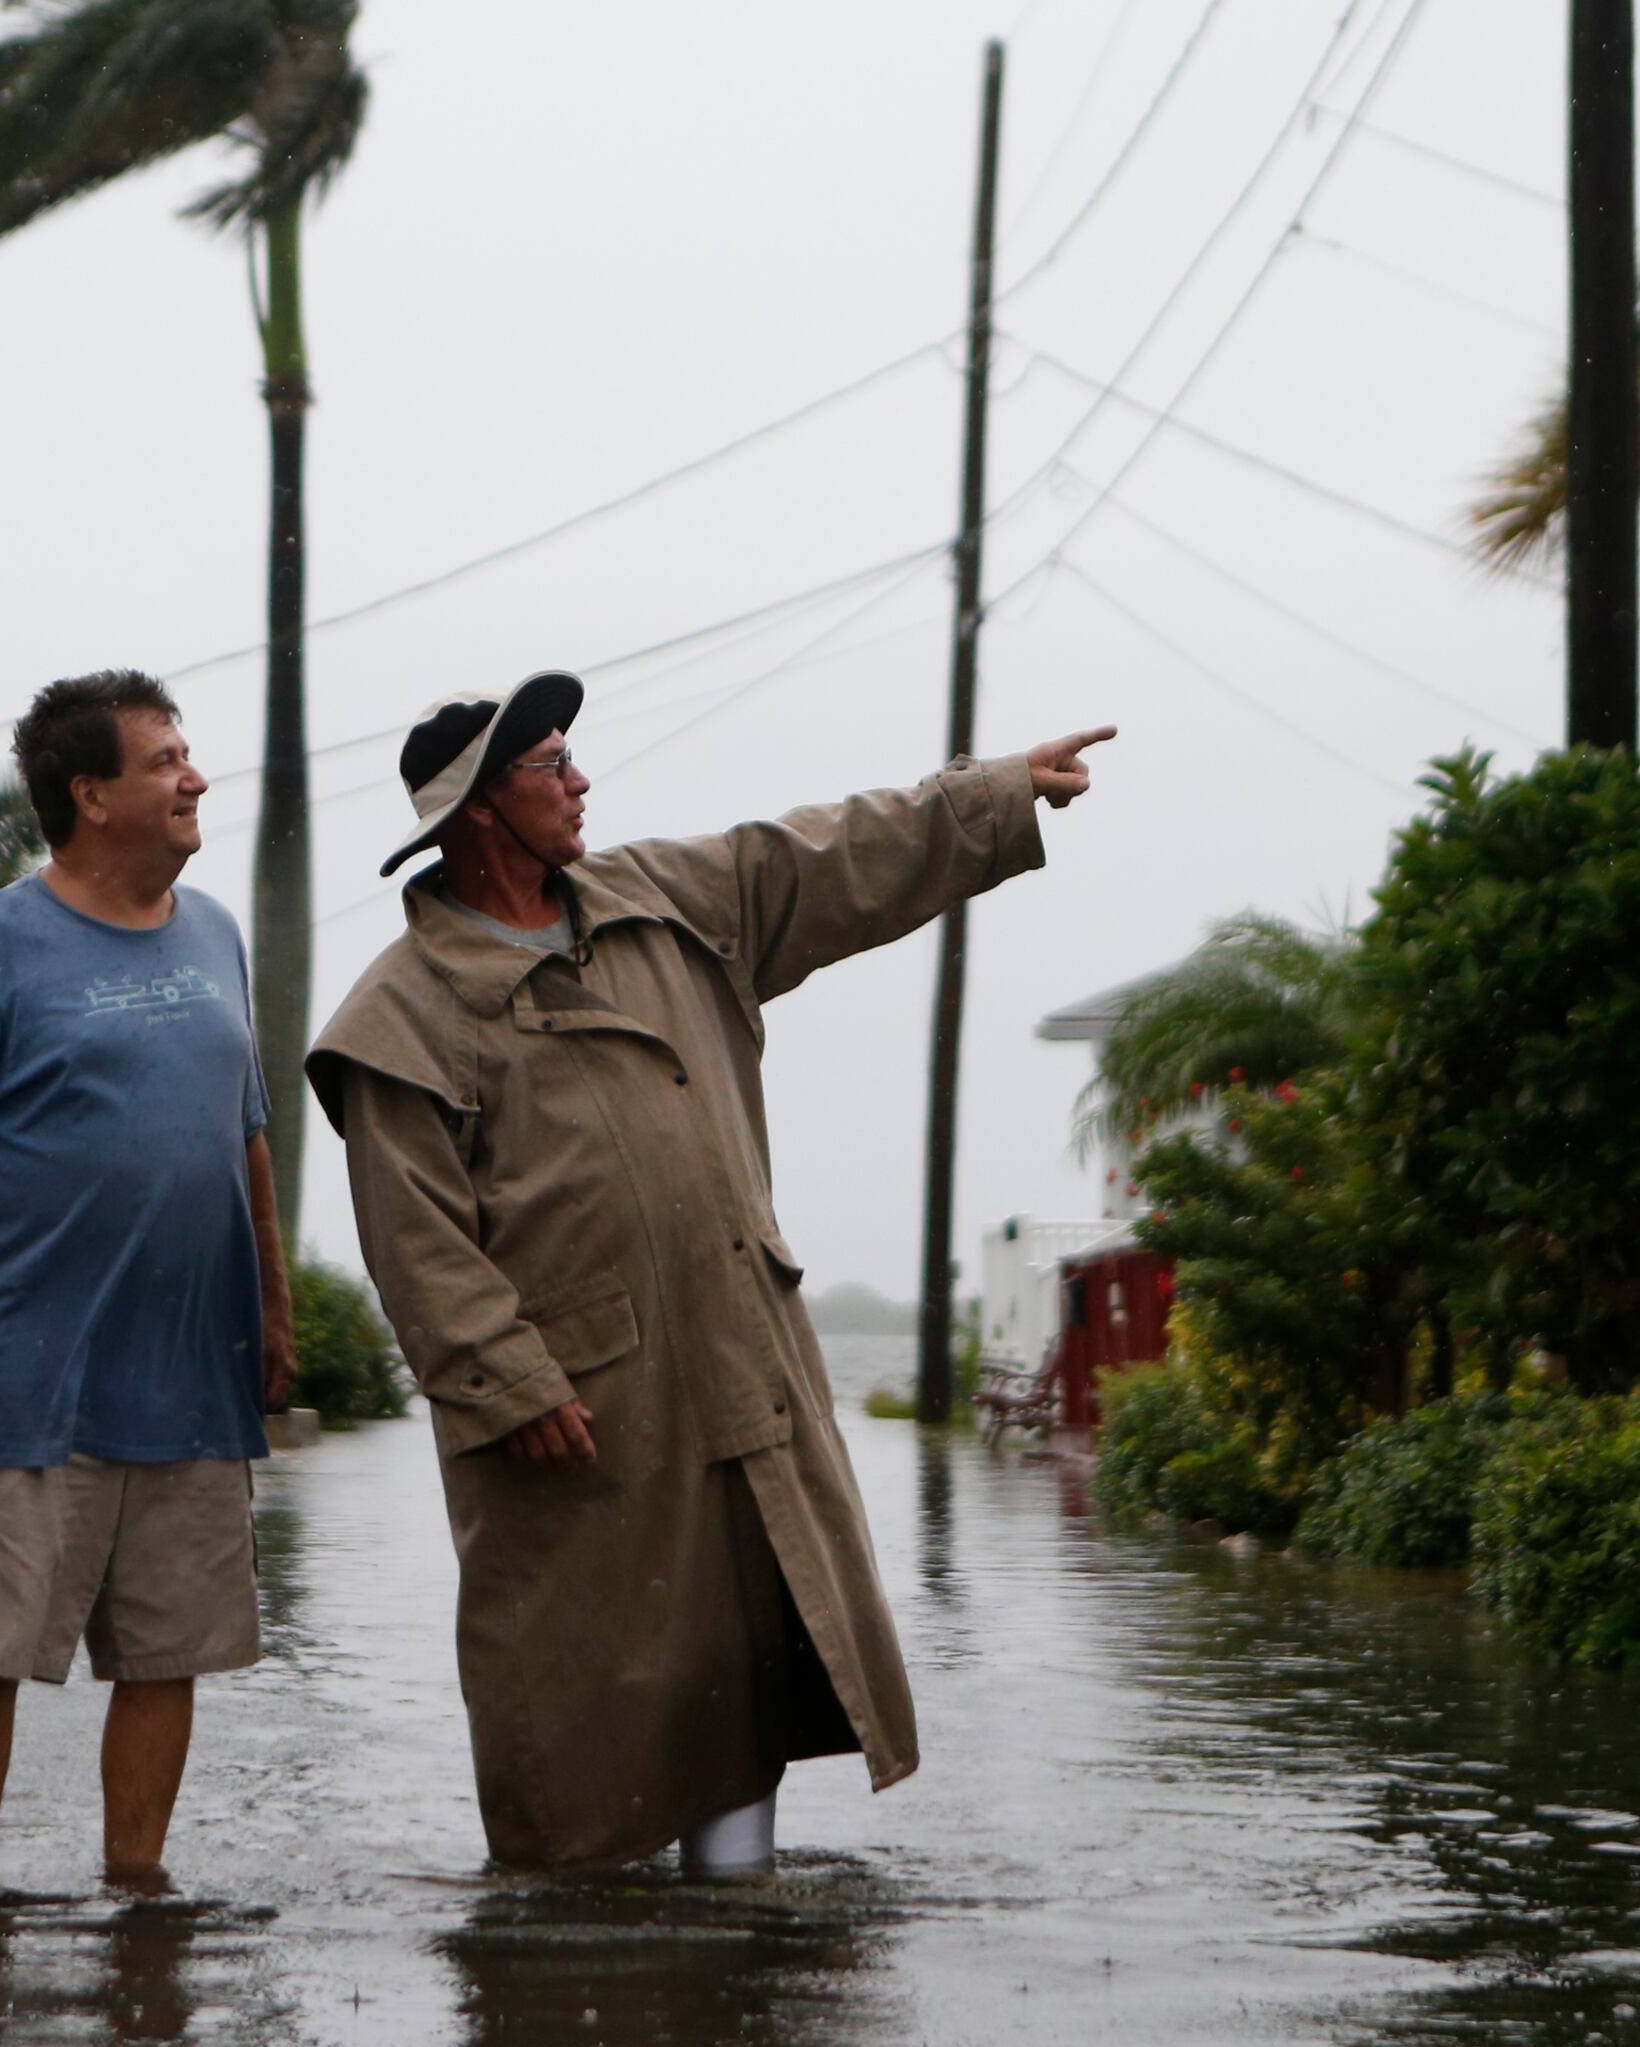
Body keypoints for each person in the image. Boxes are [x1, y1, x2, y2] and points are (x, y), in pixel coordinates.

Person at [307, 673, 1109, 1872]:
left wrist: (991, 797)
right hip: (578, 1418)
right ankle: (572, 1973)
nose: (581, 783)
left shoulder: (666, 899)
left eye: (575, 758)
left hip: (742, 1369)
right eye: (550, 766)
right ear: (478, 809)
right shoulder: (401, 1015)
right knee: (585, 1697)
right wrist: (507, 1382)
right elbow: (415, 1235)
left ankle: (732, 1938)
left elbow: (825, 857)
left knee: (743, 1670)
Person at [0, 669, 297, 1886]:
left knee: (171, 1654)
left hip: (190, 1374)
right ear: (91, 794)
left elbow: (247, 1134)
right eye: (166, 760)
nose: (194, 777)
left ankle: (139, 1890)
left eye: (187, 754)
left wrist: (270, 1308)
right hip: (26, 1374)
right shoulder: (2, 940)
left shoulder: (214, 932)